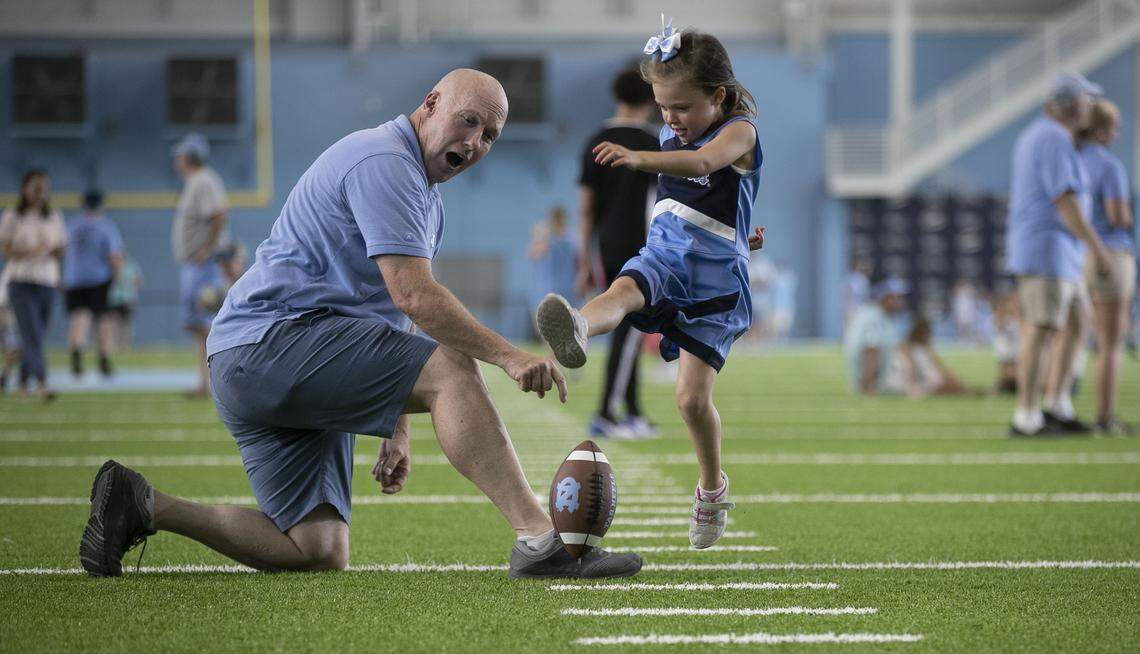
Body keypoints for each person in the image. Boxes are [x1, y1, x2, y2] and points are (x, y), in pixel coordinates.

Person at [79, 69, 642, 581]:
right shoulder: (385, 162)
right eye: (468, 121)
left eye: (489, 136)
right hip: (273, 341)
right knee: (453, 365)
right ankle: (540, 538)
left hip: (254, 357)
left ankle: (144, 503)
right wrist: (510, 354)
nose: (474, 143)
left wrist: (396, 425)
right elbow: (416, 297)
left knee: (316, 548)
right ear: (430, 104)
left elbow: (391, 315)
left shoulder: (425, 196)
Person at [536, 21, 766, 549]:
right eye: (663, 108)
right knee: (623, 289)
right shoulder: (669, 133)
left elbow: (707, 165)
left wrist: (640, 157)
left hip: (713, 283)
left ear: (719, 95)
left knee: (690, 401)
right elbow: (688, 200)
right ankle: (578, 325)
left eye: (682, 108)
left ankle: (712, 488)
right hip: (665, 255)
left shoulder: (740, 131)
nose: (670, 119)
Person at [1006, 73, 1111, 437]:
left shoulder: (1050, 136)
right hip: (1046, 248)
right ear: (1069, 104)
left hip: (1059, 250)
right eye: (1085, 100)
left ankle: (1056, 403)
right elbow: (1063, 199)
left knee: (1077, 322)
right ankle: (1026, 415)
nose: (1090, 107)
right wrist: (1097, 247)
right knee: (1040, 328)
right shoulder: (1051, 137)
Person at [577, 68, 660, 439]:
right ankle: (608, 413)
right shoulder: (654, 143)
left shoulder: (596, 139)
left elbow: (586, 208)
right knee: (629, 330)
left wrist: (583, 257)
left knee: (629, 330)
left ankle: (632, 411)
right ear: (651, 101)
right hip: (641, 246)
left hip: (603, 246)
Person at [1077, 99, 1135, 435]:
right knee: (1110, 343)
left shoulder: (1073, 159)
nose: (1116, 135)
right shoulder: (1109, 166)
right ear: (1102, 130)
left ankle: (1059, 406)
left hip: (1077, 255)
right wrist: (1127, 217)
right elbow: (1117, 217)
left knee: (1074, 336)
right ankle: (1105, 416)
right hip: (1109, 254)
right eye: (1114, 129)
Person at [171, 132, 230, 397]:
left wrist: (207, 250)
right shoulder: (197, 181)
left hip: (203, 266)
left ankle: (213, 383)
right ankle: (205, 383)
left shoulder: (203, 180)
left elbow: (218, 214)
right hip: (197, 265)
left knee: (208, 325)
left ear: (186, 157)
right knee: (200, 327)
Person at [0, 169, 67, 401]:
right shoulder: (12, 216)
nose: (40, 192)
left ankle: (20, 384)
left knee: (36, 336)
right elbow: (6, 250)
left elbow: (61, 248)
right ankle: (42, 383)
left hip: (47, 280)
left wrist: (54, 253)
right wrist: (31, 251)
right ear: (24, 188)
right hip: (21, 281)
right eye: (35, 186)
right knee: (31, 334)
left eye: (43, 187)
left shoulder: (54, 217)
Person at [62, 190, 124, 379]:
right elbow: (114, 256)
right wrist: (118, 276)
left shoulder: (72, 225)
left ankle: (76, 358)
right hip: (98, 279)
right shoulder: (105, 226)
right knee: (102, 320)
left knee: (78, 318)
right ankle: (104, 359)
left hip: (74, 278)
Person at [843, 278, 908, 395]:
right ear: (885, 298)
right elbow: (870, 350)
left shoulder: (881, 316)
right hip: (870, 383)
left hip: (876, 380)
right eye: (896, 298)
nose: (901, 302)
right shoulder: (873, 318)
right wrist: (869, 388)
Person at [884, 317, 971, 397]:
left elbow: (939, 364)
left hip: (920, 378)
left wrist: (953, 377)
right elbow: (910, 367)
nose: (927, 336)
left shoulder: (925, 347)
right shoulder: (906, 346)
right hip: (904, 380)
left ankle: (965, 390)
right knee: (945, 386)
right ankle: (967, 392)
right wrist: (911, 387)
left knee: (949, 383)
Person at [107, 253, 142, 351]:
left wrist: (133, 288)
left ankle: (125, 346)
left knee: (127, 323)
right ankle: (113, 345)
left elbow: (138, 281)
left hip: (128, 298)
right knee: (113, 323)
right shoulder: (112, 266)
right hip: (115, 299)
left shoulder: (132, 265)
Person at [992, 291, 1020, 395]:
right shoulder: (1002, 318)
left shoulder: (1019, 319)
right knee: (1008, 376)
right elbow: (998, 325)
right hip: (1006, 356)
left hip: (1016, 356)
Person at [0, 265, 20, 394]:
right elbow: (2, 301)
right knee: (14, 348)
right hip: (7, 318)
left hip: (16, 317)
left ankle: (4, 377)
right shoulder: (10, 272)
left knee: (17, 349)